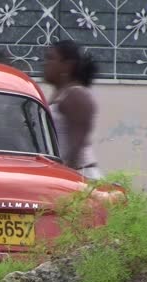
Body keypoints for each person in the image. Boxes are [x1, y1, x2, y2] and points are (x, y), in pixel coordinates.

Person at [43, 40, 103, 180]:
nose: (45, 63)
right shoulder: (61, 95)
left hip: (80, 175)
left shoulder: (76, 95)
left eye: (51, 58)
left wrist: (66, 178)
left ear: (67, 66)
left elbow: (77, 143)